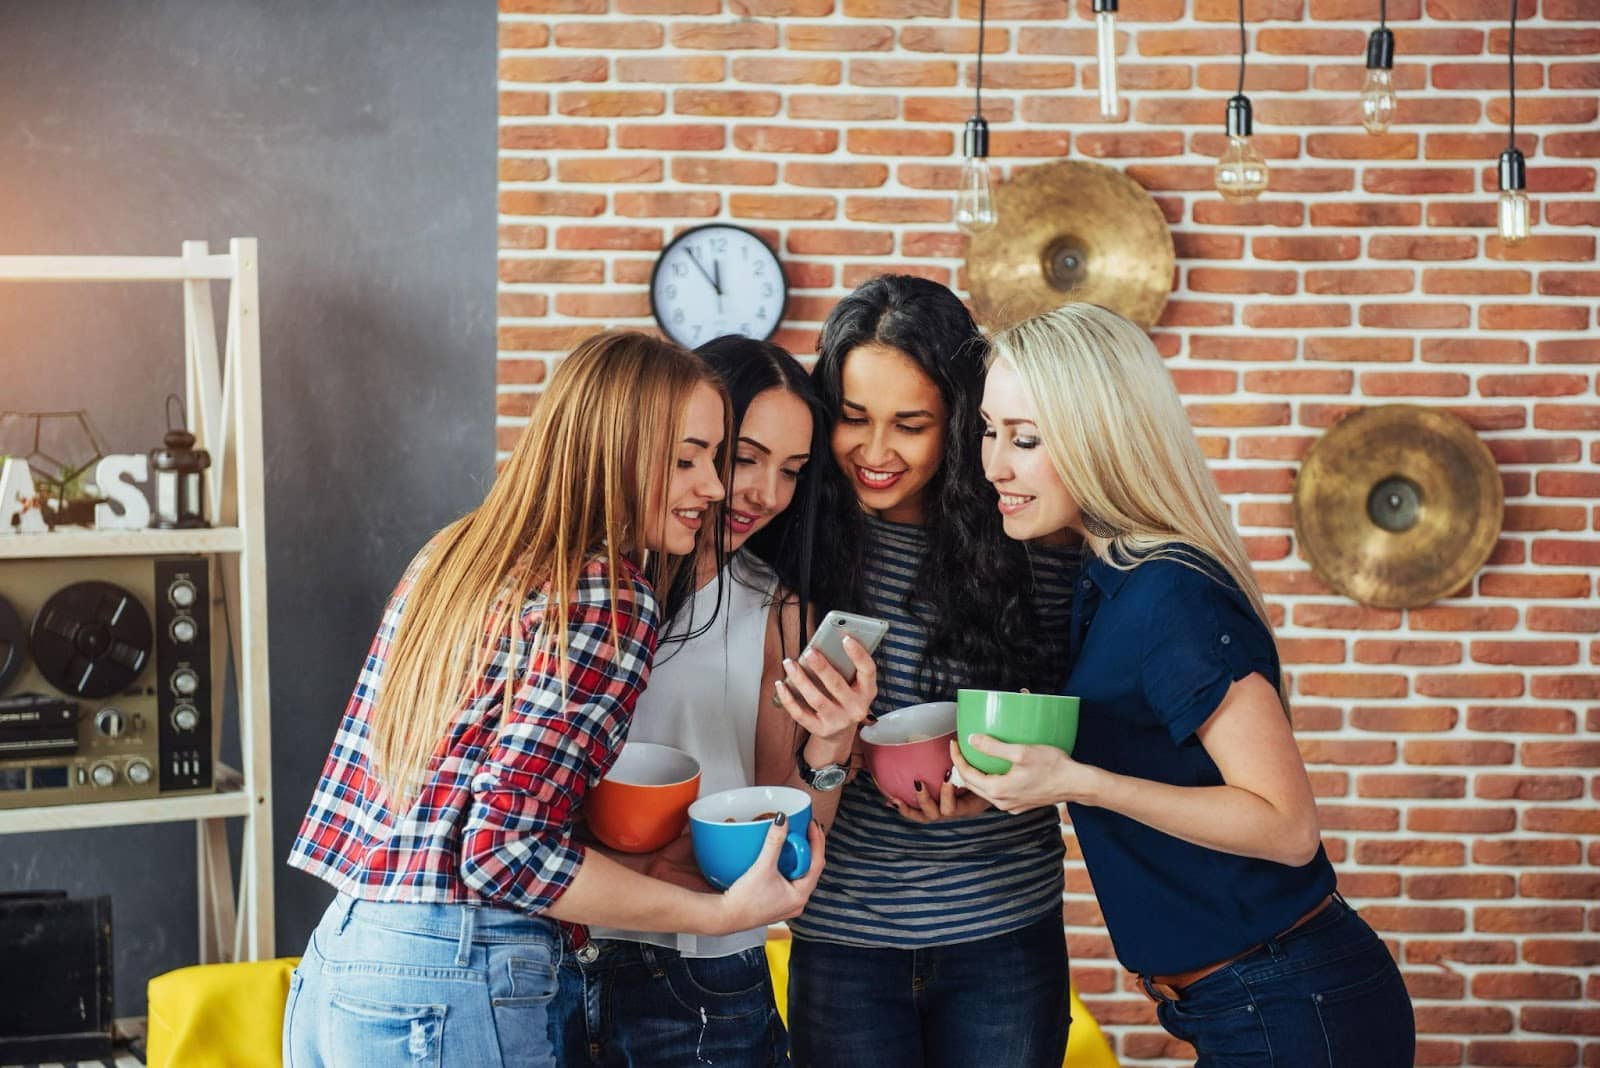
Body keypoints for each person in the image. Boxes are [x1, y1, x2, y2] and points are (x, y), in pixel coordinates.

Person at [281, 331, 826, 1067]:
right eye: (688, 459)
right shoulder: (606, 595)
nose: (718, 487)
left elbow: (448, 812)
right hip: (464, 976)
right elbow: (502, 854)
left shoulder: (456, 553)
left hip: (342, 958)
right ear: (616, 447)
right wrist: (719, 912)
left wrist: (643, 870)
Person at [956, 302, 1416, 1067]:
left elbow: (1287, 825)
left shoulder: (1170, 592)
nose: (994, 465)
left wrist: (1084, 782)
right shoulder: (1105, 576)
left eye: (1025, 439)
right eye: (988, 430)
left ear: (1103, 440)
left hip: (1288, 1005)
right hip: (1241, 1004)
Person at [558, 335, 877, 1066]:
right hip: (556, 950)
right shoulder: (578, 589)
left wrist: (830, 746)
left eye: (792, 471)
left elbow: (784, 815)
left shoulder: (776, 607)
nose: (767, 493)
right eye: (745, 458)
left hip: (702, 970)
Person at [786, 275, 1076, 1068]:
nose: (875, 453)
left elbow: (1081, 737)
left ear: (958, 425)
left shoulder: (1039, 550)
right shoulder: (793, 550)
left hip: (1002, 931)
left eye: (910, 426)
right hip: (843, 936)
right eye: (852, 418)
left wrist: (1001, 784)